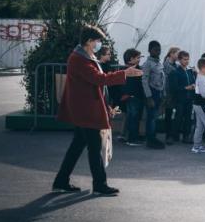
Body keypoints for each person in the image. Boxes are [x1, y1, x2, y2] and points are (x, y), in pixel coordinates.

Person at [53, 25, 143, 196]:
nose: (99, 44)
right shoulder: (79, 59)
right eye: (97, 41)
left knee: (78, 146)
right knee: (94, 148)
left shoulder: (84, 56)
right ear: (89, 41)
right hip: (85, 110)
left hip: (85, 109)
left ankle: (61, 180)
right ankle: (99, 184)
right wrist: (125, 74)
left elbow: (96, 81)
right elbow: (98, 79)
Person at [140, 40, 166, 149]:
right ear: (149, 50)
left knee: (154, 116)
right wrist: (149, 97)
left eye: (159, 50)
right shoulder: (147, 64)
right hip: (152, 92)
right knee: (151, 117)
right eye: (155, 50)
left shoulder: (159, 63)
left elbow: (163, 79)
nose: (158, 52)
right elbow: (144, 81)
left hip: (159, 92)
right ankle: (150, 139)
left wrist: (163, 94)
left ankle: (153, 137)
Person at [168, 51, 196, 144]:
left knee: (188, 118)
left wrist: (194, 85)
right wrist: (186, 88)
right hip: (180, 99)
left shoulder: (190, 71)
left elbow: (193, 81)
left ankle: (186, 136)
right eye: (184, 59)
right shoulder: (175, 72)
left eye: (188, 59)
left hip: (189, 98)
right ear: (179, 60)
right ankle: (173, 136)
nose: (187, 61)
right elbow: (173, 88)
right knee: (178, 117)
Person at [121, 48, 145, 146]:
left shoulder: (126, 70)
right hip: (134, 97)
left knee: (132, 117)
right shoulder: (133, 70)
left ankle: (130, 137)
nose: (139, 59)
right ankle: (132, 139)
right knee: (134, 118)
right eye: (137, 58)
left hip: (131, 97)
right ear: (131, 59)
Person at [162, 46, 180, 145]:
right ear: (171, 54)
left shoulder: (175, 65)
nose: (178, 55)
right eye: (177, 53)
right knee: (168, 114)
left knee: (173, 113)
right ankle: (168, 135)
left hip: (173, 92)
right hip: (168, 92)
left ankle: (172, 134)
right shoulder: (166, 65)